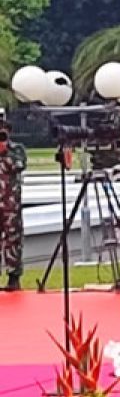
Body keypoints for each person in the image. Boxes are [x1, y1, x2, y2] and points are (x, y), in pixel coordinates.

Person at [0, 111, 27, 291]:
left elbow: (19, 165)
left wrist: (4, 152)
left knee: (13, 239)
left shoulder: (16, 149)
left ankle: (13, 277)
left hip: (10, 204)